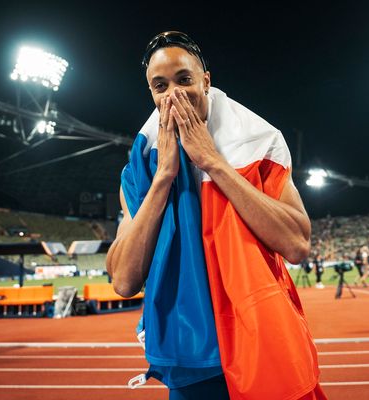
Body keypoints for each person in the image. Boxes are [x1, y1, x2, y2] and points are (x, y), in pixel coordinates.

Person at [106, 31, 326, 400]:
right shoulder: (143, 160)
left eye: (184, 80)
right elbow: (125, 280)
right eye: (160, 86)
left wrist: (212, 162)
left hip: (260, 336)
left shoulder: (257, 141)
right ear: (151, 93)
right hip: (191, 353)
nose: (173, 94)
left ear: (206, 81)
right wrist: (164, 178)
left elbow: (297, 243)